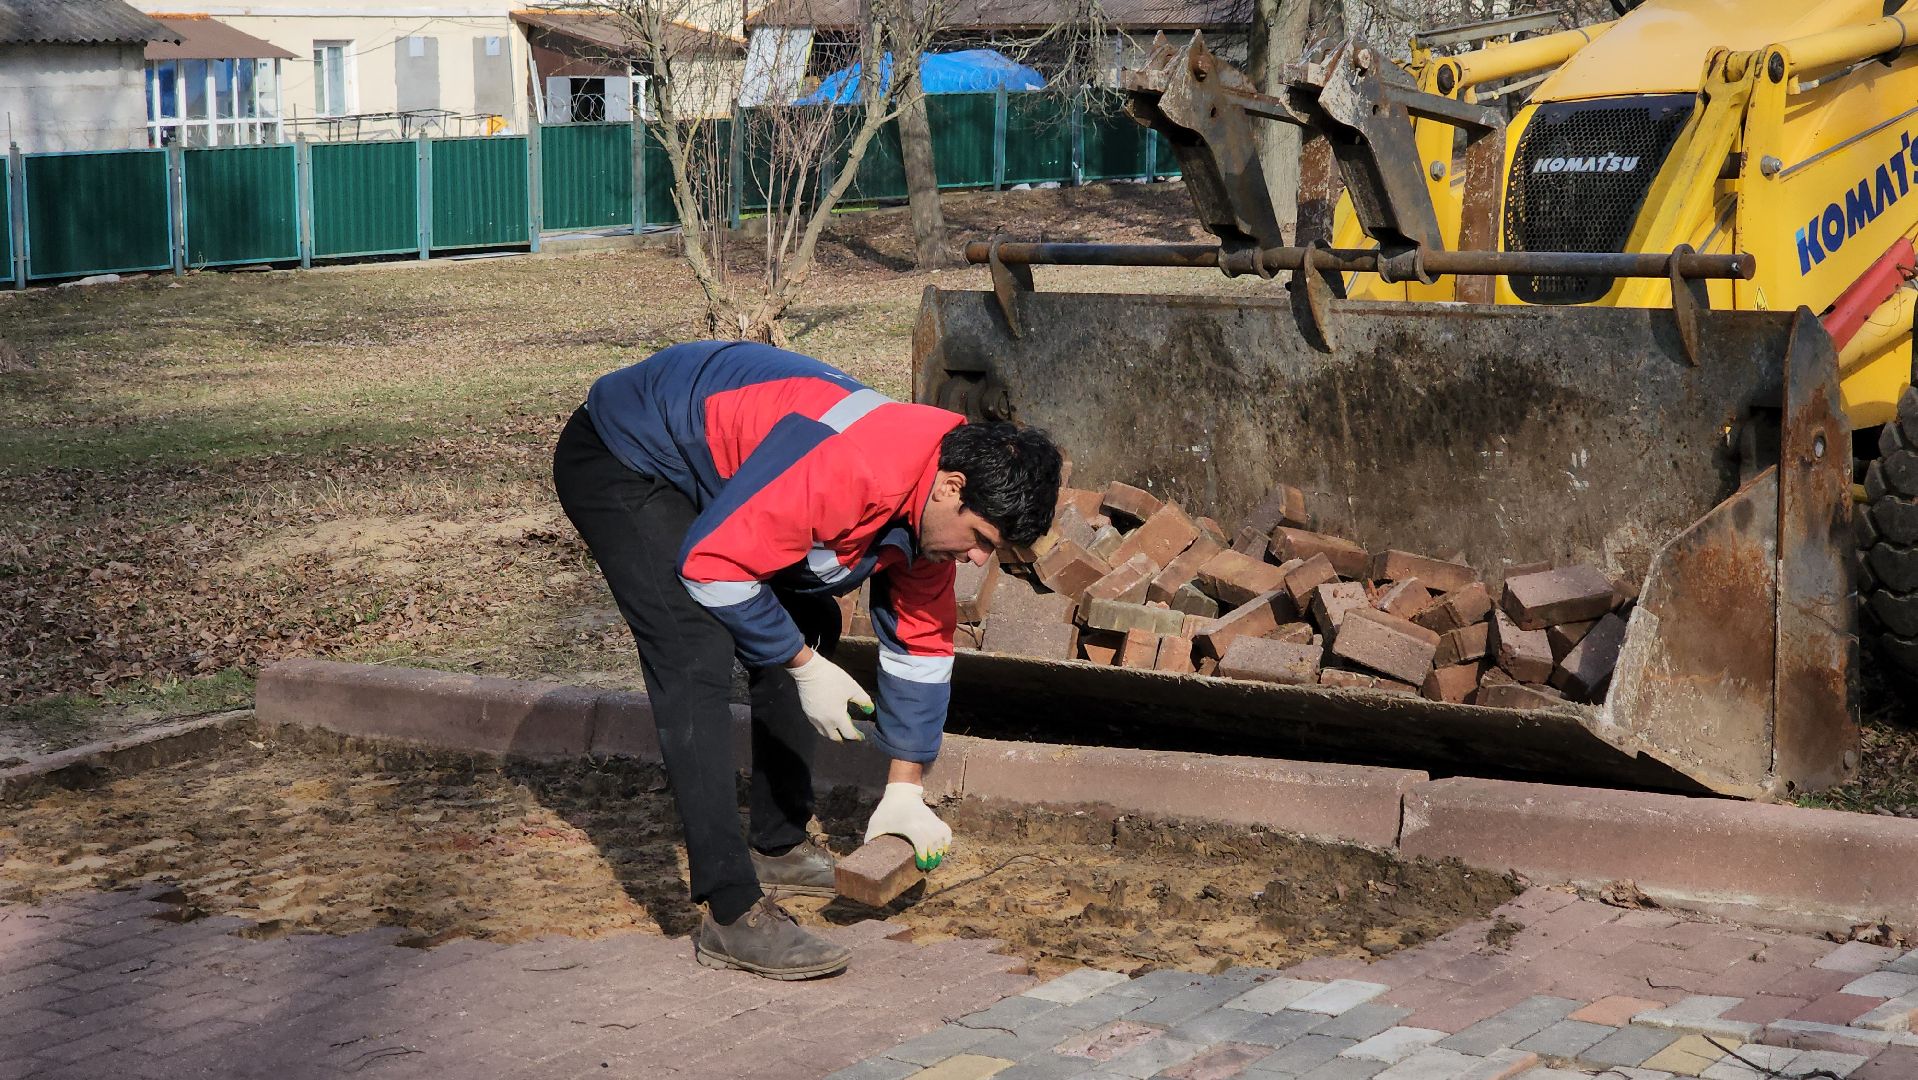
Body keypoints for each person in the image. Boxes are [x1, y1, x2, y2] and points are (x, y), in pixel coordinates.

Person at [552, 340, 1062, 980]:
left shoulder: (933, 504)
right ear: (950, 487)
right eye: (981, 539)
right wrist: (801, 666)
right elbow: (713, 567)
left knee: (810, 620)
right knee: (693, 649)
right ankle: (730, 910)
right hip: (629, 453)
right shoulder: (857, 468)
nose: (979, 560)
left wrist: (905, 788)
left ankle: (778, 846)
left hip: (721, 470)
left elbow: (922, 648)